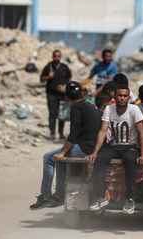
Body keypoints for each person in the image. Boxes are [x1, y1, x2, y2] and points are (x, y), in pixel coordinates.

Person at [30, 81, 101, 210]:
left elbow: (73, 135)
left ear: (67, 98)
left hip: (84, 149)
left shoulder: (76, 108)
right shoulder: (89, 106)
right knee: (60, 161)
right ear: (83, 94)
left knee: (48, 157)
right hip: (92, 147)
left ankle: (45, 196)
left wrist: (62, 152)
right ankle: (58, 196)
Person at [87, 85, 143, 214]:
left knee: (130, 160)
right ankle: (100, 197)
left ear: (129, 97)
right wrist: (95, 152)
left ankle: (130, 199)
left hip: (130, 146)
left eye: (125, 96)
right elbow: (103, 131)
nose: (122, 98)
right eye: (120, 95)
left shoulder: (134, 109)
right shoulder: (109, 109)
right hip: (114, 145)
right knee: (100, 159)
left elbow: (141, 133)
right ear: (115, 96)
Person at [40, 50, 72, 140]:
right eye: (55, 56)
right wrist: (48, 77)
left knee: (62, 114)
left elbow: (70, 79)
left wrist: (69, 89)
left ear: (60, 57)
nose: (56, 58)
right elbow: (41, 79)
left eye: (58, 56)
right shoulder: (48, 67)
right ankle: (52, 134)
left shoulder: (65, 67)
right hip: (51, 94)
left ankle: (61, 133)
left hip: (62, 95)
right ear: (52, 57)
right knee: (52, 113)